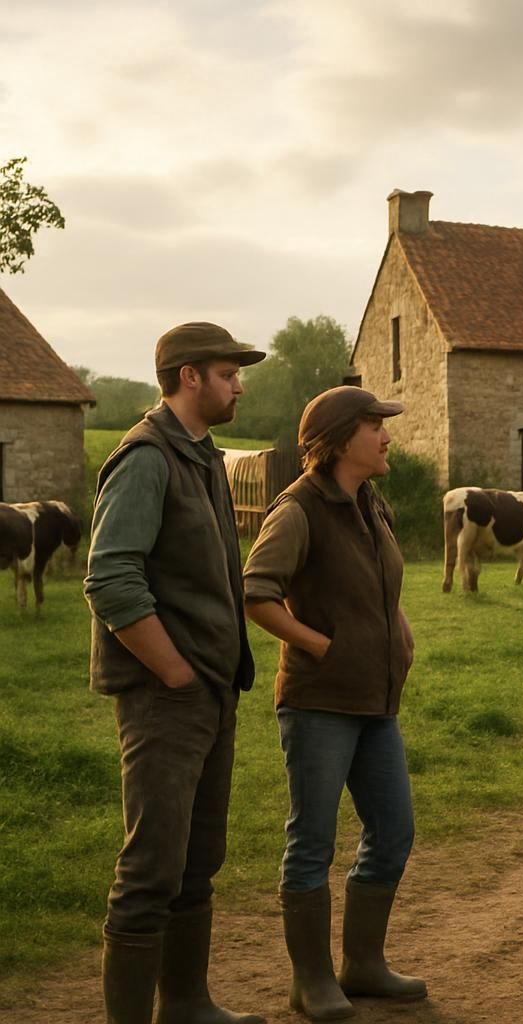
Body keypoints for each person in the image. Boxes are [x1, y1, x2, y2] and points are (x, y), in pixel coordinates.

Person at [84, 322, 265, 1024]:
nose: (239, 386)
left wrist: (208, 681)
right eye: (228, 374)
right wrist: (175, 674)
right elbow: (111, 578)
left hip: (211, 692)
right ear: (190, 377)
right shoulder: (146, 456)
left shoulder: (200, 454)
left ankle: (186, 1005)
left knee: (197, 860)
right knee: (152, 868)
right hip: (167, 698)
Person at [242, 386, 426, 1020]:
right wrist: (321, 645)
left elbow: (380, 584)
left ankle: (364, 964)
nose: (387, 436)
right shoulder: (298, 510)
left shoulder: (372, 503)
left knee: (393, 832)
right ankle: (311, 980)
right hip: (318, 703)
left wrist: (398, 627)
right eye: (376, 426)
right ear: (343, 438)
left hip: (377, 703)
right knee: (312, 842)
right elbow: (257, 593)